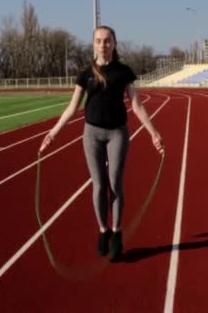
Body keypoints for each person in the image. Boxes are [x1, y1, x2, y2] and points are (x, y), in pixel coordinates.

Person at [38, 25, 163, 259]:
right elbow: (73, 107)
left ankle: (116, 232)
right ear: (93, 44)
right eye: (98, 40)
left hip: (117, 133)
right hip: (92, 134)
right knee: (98, 185)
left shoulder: (124, 72)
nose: (103, 45)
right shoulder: (85, 74)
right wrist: (53, 133)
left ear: (114, 44)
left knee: (115, 184)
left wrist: (153, 132)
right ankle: (102, 230)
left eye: (107, 41)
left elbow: (136, 105)